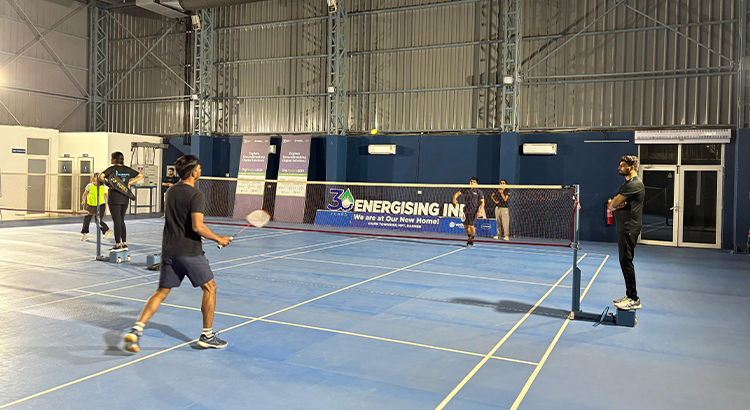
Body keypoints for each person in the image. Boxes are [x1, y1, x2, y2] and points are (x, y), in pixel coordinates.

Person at [123, 155, 232, 353]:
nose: (200, 170)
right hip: (189, 252)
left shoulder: (171, 191)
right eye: (199, 168)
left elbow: (180, 220)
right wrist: (219, 239)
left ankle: (136, 329)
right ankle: (207, 335)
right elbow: (197, 226)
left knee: (161, 292)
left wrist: (197, 234)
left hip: (169, 250)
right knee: (210, 288)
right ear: (193, 173)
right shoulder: (196, 195)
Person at [608, 155, 645, 310]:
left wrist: (616, 204)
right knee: (624, 261)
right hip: (625, 228)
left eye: (622, 165)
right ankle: (629, 295)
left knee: (626, 262)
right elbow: (616, 203)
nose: (619, 168)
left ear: (632, 167)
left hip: (629, 228)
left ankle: (634, 298)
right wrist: (617, 203)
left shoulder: (633, 184)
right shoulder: (628, 184)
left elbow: (613, 204)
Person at [99, 152, 143, 251]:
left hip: (114, 198)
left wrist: (107, 183)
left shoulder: (112, 169)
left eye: (112, 158)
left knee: (117, 221)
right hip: (125, 197)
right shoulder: (127, 169)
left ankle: (117, 244)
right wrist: (129, 182)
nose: (111, 159)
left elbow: (101, 176)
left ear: (115, 159)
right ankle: (124, 244)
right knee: (121, 220)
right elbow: (140, 175)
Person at [453, 177, 485, 247]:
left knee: (471, 225)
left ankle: (471, 240)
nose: (472, 183)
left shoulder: (479, 192)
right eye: (471, 181)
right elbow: (457, 194)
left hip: (474, 211)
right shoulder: (466, 189)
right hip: (466, 210)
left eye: (473, 182)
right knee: (465, 226)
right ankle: (470, 237)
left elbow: (482, 202)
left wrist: (480, 211)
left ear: (476, 183)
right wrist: (454, 198)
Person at [80, 173, 112, 241]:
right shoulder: (89, 185)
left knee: (98, 221)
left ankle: (108, 231)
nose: (92, 178)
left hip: (100, 206)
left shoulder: (104, 187)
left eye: (93, 177)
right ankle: (84, 235)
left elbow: (107, 196)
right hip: (90, 206)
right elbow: (85, 194)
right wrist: (84, 201)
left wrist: (112, 204)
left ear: (97, 178)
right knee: (86, 220)